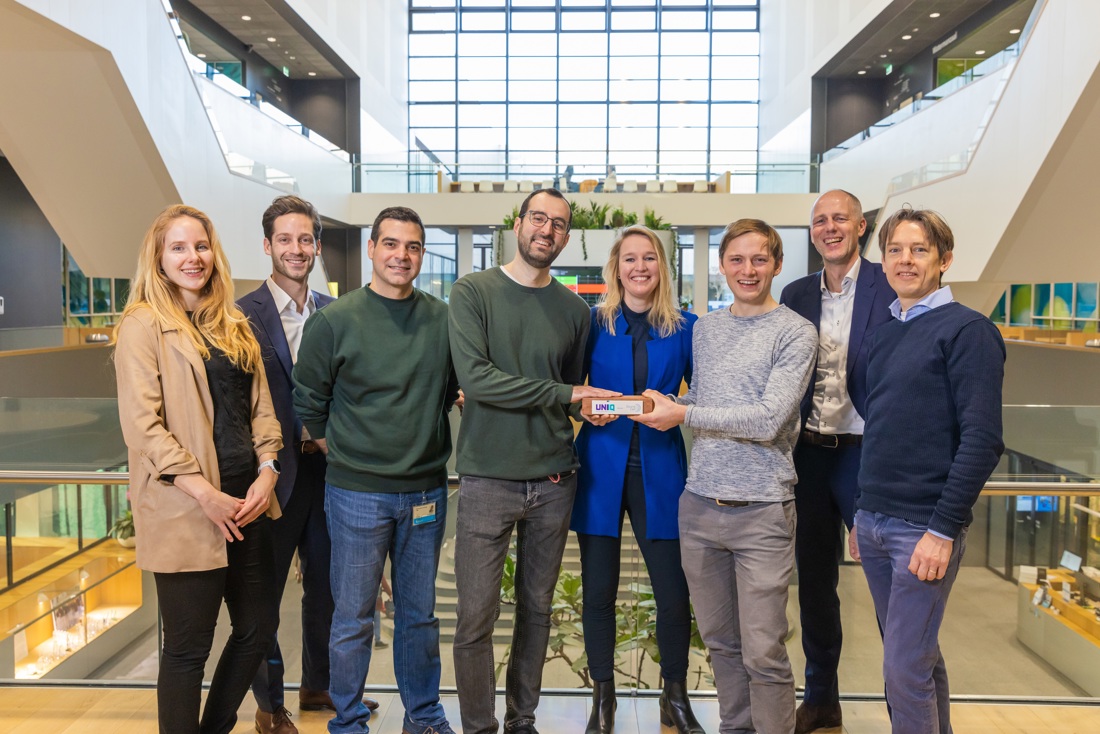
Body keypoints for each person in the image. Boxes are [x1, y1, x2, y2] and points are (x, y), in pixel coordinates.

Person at [634, 219, 817, 734]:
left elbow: (766, 419)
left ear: (777, 265)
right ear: (722, 266)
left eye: (759, 259)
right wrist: (669, 403)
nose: (748, 270)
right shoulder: (707, 329)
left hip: (761, 510)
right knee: (721, 645)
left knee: (763, 651)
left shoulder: (796, 332)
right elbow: (708, 400)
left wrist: (684, 415)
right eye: (737, 260)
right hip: (699, 508)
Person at [449, 188, 617, 734]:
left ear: (568, 237)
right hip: (486, 477)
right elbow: (477, 380)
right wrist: (566, 396)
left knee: (536, 612)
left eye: (560, 225)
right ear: (518, 224)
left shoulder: (573, 310)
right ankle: (479, 726)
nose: (547, 230)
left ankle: (522, 721)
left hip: (552, 478)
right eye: (538, 219)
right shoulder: (473, 291)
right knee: (475, 617)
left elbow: (569, 383)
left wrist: (576, 400)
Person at [114, 204, 282, 734]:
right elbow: (144, 427)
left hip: (247, 500)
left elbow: (261, 410)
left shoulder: (232, 323)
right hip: (187, 505)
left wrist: (269, 468)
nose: (193, 257)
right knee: (188, 649)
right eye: (179, 248)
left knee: (257, 628)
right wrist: (204, 494)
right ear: (159, 258)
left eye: (201, 246)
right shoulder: (142, 325)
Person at [293, 206, 459, 734]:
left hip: (426, 491)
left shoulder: (443, 318)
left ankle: (424, 717)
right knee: (353, 618)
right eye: (390, 244)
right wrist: (346, 454)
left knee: (420, 616)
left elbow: (458, 388)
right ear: (371, 248)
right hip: (356, 494)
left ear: (421, 254)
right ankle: (347, 721)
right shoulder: (333, 321)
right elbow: (309, 406)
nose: (401, 256)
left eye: (412, 247)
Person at [853, 207, 1004, 734]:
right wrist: (861, 513)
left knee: (902, 669)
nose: (905, 260)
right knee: (917, 656)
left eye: (919, 249)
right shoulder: (886, 330)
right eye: (894, 250)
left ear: (945, 260)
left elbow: (983, 440)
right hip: (874, 521)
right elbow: (882, 425)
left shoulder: (969, 331)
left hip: (923, 527)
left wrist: (942, 530)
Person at [238, 195, 378, 734]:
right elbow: (239, 404)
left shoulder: (337, 312)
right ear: (268, 245)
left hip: (330, 475)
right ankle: (269, 706)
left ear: (318, 246)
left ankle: (319, 685)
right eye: (285, 239)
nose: (296, 249)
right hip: (271, 476)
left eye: (305, 240)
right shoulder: (240, 316)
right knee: (266, 597)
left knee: (329, 587)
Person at [570, 225, 702, 734]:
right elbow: (570, 386)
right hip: (601, 469)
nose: (640, 267)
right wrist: (586, 404)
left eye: (650, 258)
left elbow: (701, 395)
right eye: (631, 258)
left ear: (661, 267)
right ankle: (604, 700)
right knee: (598, 591)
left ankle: (675, 696)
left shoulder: (686, 327)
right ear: (616, 266)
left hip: (662, 470)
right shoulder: (591, 323)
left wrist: (677, 407)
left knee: (673, 593)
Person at [779, 189, 896, 733]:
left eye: (839, 219)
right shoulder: (795, 293)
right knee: (816, 584)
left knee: (887, 585)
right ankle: (822, 697)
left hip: (866, 456)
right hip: (808, 456)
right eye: (820, 221)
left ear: (861, 226)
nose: (830, 228)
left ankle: (907, 703)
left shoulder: (887, 283)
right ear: (812, 233)